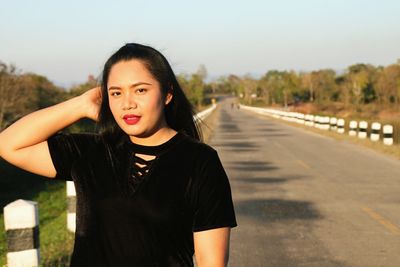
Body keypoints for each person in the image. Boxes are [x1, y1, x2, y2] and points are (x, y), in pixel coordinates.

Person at [0, 43, 237, 266]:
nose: (127, 104)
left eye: (140, 90)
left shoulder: (199, 162)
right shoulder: (91, 151)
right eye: (116, 93)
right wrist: (80, 105)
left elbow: (211, 262)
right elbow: (8, 144)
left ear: (167, 94)